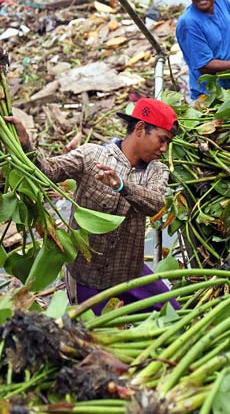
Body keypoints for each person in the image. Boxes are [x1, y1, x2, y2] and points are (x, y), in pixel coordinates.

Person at [6, 98, 180, 315]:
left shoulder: (157, 170)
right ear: (140, 128)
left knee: (175, 314)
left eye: (168, 143)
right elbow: (47, 172)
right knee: (91, 336)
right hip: (88, 278)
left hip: (130, 274)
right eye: (161, 140)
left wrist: (122, 186)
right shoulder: (92, 156)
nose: (164, 149)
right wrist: (25, 144)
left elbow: (156, 204)